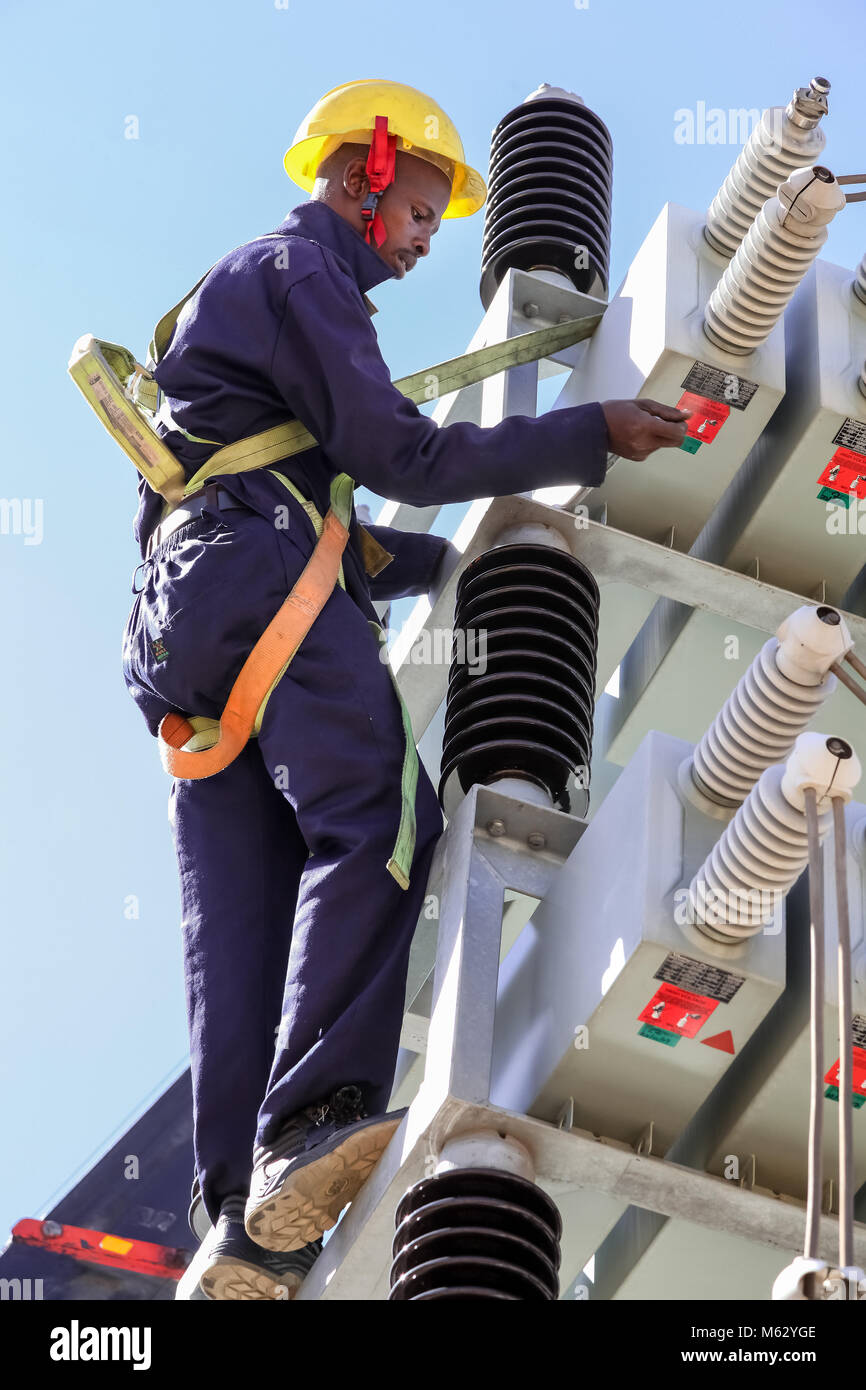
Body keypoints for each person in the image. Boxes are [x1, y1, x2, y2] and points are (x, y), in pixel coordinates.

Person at [121, 79, 689, 1300]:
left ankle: (234, 1218)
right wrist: (587, 433)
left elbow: (345, 521)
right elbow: (402, 458)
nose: (430, 237)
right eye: (423, 208)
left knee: (240, 924)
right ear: (361, 171)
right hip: (260, 574)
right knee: (383, 823)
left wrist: (460, 560)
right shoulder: (305, 273)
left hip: (187, 624)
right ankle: (314, 1120)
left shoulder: (241, 306)